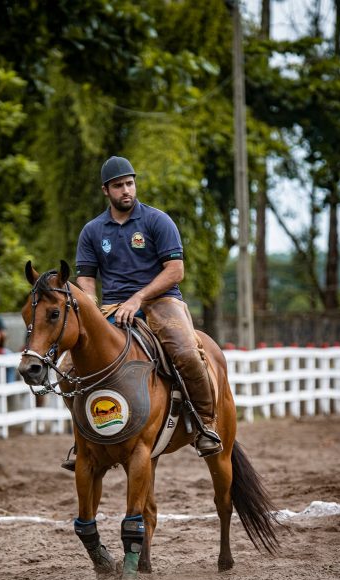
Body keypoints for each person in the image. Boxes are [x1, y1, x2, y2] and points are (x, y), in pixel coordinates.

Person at [62, 155, 221, 468]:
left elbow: (175, 270)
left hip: (161, 300)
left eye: (130, 183)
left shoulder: (157, 221)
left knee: (187, 353)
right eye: (119, 185)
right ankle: (84, 439)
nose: (126, 190)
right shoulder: (93, 230)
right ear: (105, 190)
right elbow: (86, 277)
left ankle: (205, 424)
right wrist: (91, 304)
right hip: (113, 306)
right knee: (68, 371)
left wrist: (138, 299)